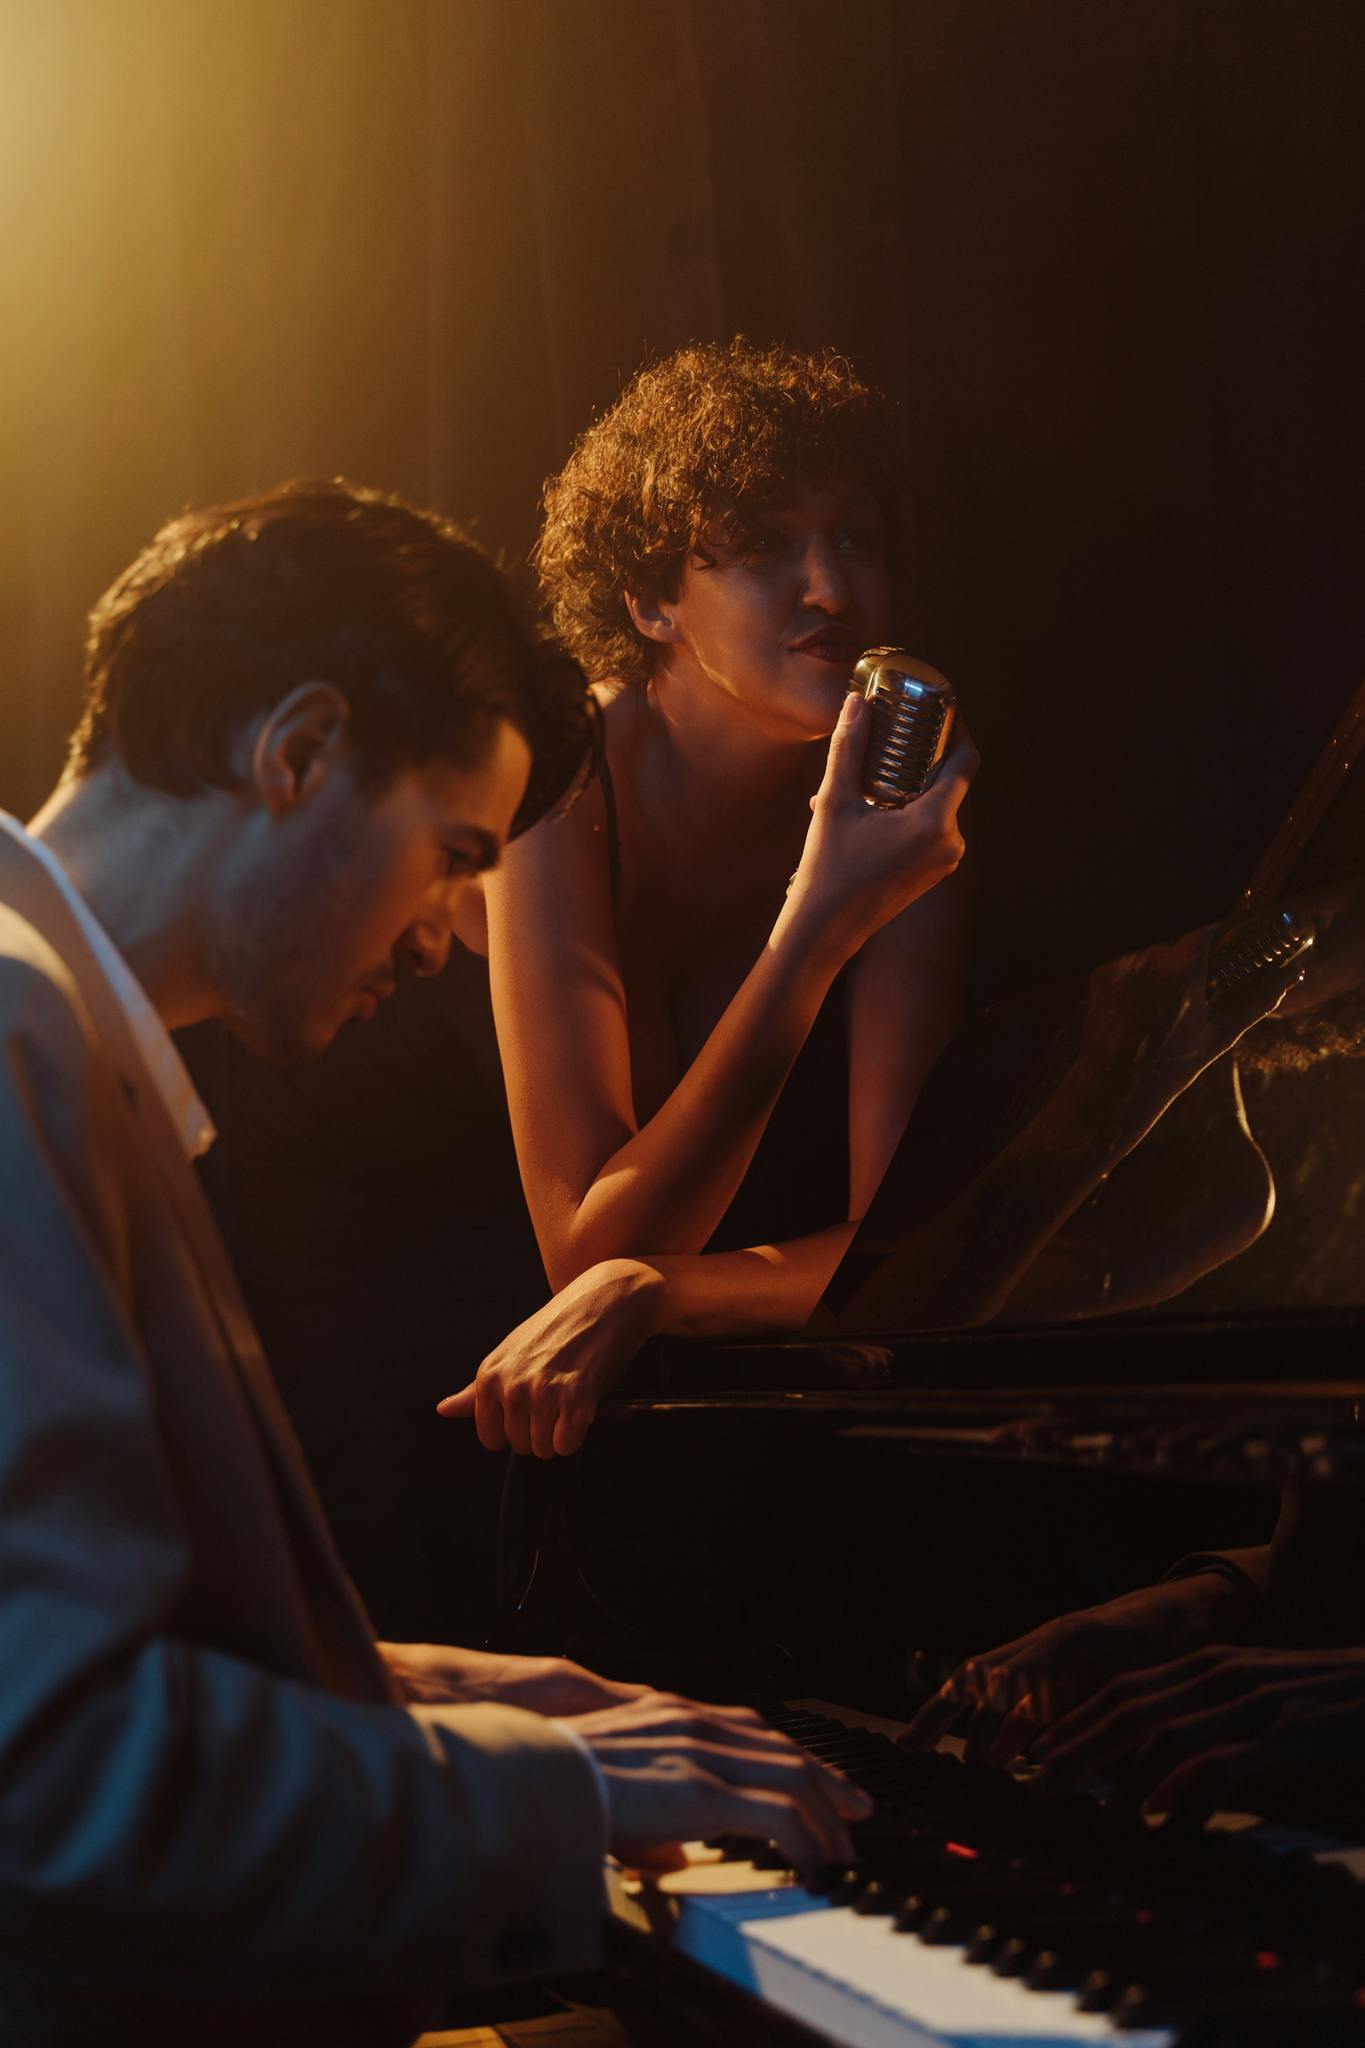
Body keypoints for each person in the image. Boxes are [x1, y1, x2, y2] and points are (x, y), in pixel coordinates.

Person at [0, 479, 869, 2046]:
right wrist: (557, 1786)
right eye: (455, 851)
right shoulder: (11, 1037)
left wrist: (436, 1694)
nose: (452, 931)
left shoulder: (67, 1040)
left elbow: (77, 1655)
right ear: (299, 752)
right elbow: (55, 1777)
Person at [441, 339, 977, 1455]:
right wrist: (820, 922)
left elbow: (919, 1252)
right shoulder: (555, 772)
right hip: (415, 1280)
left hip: (668, 1348)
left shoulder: (902, 791)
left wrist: (660, 1290)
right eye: (767, 545)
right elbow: (579, 1244)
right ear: (650, 602)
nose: (832, 587)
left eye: (857, 537)